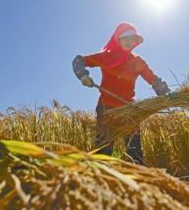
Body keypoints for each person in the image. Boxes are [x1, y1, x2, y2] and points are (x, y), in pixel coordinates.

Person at [72, 22, 170, 165]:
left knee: (134, 151)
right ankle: (100, 182)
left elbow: (152, 78)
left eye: (133, 39)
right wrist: (83, 75)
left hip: (129, 109)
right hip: (106, 109)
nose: (130, 42)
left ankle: (138, 183)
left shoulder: (137, 61)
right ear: (117, 39)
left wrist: (164, 92)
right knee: (103, 151)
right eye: (126, 38)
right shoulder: (105, 57)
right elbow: (78, 60)